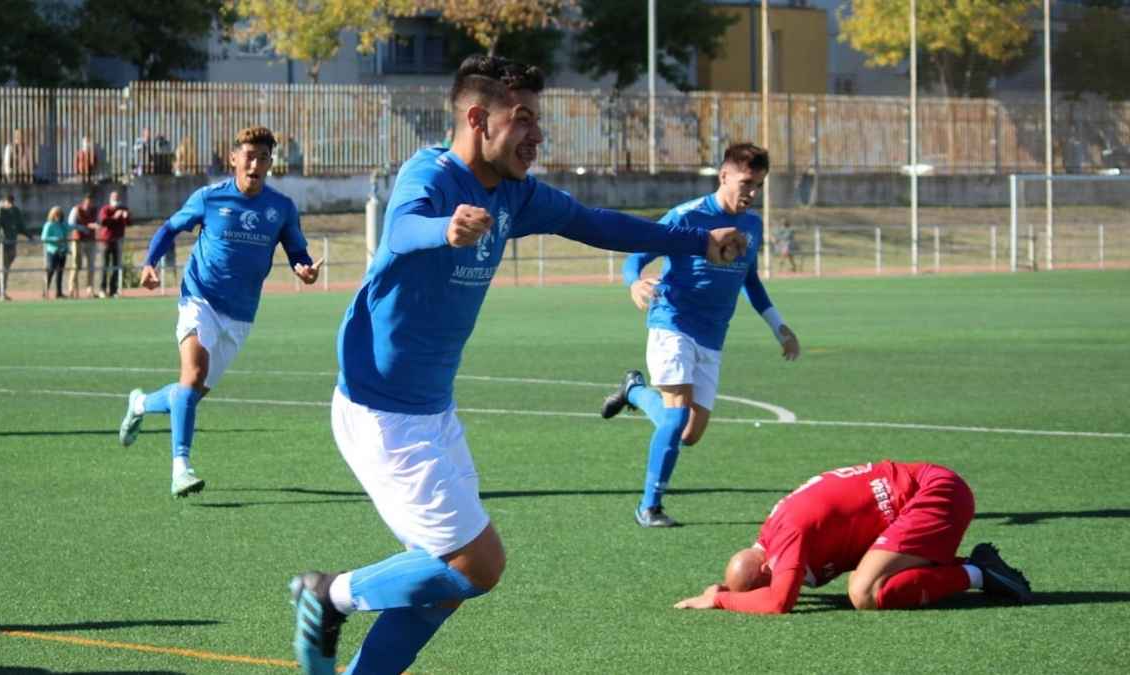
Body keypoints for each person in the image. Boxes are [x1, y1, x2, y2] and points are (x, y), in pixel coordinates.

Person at [286, 54, 748, 675]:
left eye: (539, 119)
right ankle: (328, 594)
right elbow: (399, 230)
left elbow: (594, 222)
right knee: (477, 566)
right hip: (382, 413)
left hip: (431, 411)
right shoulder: (430, 174)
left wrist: (697, 240)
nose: (537, 134)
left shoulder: (517, 195)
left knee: (443, 585)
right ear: (478, 118)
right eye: (523, 118)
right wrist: (443, 229)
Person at [600, 143, 800, 528]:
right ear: (723, 176)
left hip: (712, 336)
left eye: (759, 185)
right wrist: (634, 283)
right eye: (746, 183)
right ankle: (649, 506)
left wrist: (779, 326)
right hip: (671, 322)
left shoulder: (752, 226)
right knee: (675, 418)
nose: (752, 193)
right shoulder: (688, 215)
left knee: (689, 434)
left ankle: (634, 391)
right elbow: (636, 257)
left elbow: (750, 279)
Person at [116, 125, 321, 498]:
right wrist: (150, 263)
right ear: (233, 158)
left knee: (190, 393)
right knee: (192, 377)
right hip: (200, 299)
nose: (255, 163)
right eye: (249, 155)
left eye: (263, 157)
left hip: (240, 315)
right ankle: (181, 468)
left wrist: (303, 268)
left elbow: (297, 251)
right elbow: (169, 228)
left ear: (270, 163)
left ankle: (141, 403)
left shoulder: (281, 208)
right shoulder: (209, 198)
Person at [673, 460, 1032, 613]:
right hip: (925, 492)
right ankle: (966, 568)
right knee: (872, 577)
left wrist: (719, 601)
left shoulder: (789, 535)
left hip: (935, 494)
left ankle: (977, 572)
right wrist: (726, 589)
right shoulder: (772, 533)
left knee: (864, 592)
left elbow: (778, 603)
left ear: (769, 567)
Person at [0, 193, 33, 300]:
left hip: (12, 243)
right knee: (3, 268)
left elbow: (21, 226)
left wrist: (29, 235)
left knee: (6, 268)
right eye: (9, 202)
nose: (11, 204)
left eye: (12, 202)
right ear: (4, 201)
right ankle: (1, 292)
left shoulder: (16, 211)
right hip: (1, 244)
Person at [97, 191, 130, 298]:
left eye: (117, 197)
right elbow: (103, 221)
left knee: (116, 266)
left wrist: (126, 216)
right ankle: (102, 289)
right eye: (114, 197)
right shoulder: (105, 209)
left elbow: (129, 222)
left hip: (118, 241)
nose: (116, 199)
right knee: (105, 265)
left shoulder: (123, 208)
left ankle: (113, 290)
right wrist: (115, 217)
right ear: (110, 198)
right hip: (106, 241)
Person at [66, 193, 99, 298]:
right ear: (84, 201)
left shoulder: (94, 211)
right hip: (78, 240)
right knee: (76, 265)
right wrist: (85, 227)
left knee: (91, 266)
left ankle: (90, 290)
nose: (89, 204)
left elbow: (98, 222)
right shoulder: (76, 209)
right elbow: (70, 224)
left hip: (90, 240)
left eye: (91, 202)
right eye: (87, 202)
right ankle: (72, 289)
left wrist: (96, 226)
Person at [40, 206, 70, 299]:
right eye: (57, 214)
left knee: (60, 272)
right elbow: (44, 238)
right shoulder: (49, 225)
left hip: (62, 251)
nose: (59, 216)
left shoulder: (62, 225)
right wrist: (55, 239)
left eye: (60, 214)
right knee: (50, 270)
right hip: (52, 251)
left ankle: (59, 292)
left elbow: (69, 229)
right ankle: (45, 290)